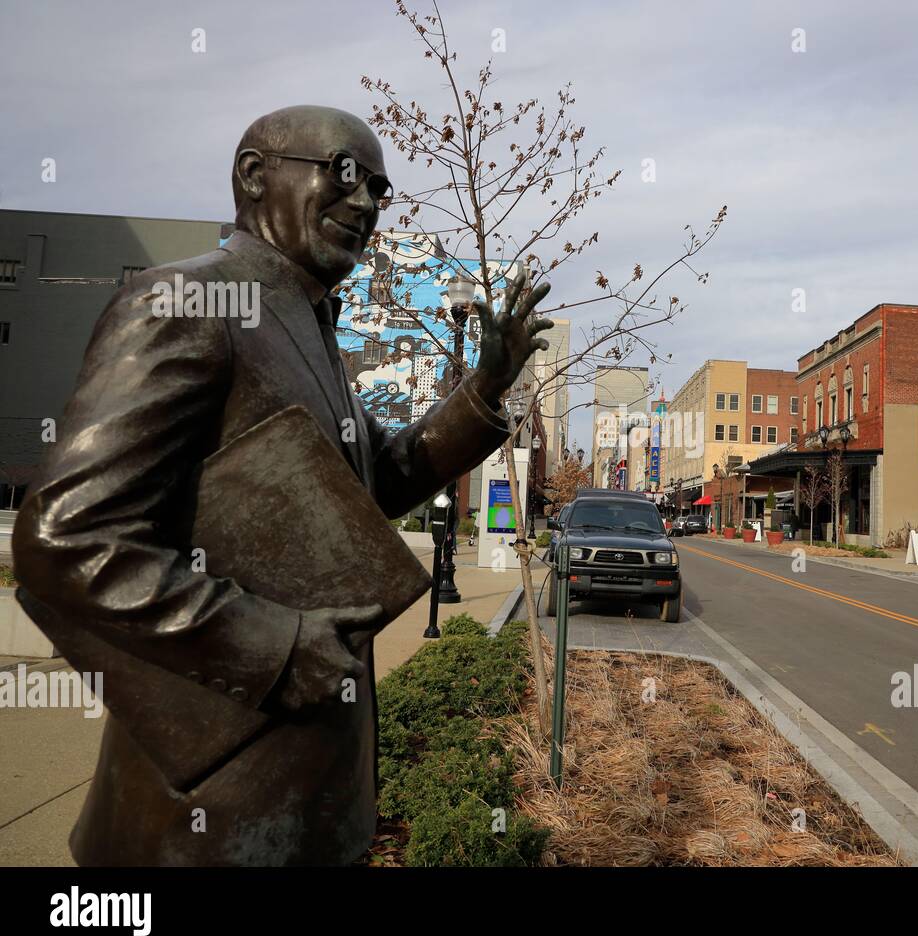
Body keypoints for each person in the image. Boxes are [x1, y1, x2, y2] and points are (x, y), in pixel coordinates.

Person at [12, 106, 552, 866]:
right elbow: (64, 539)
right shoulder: (186, 303)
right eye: (341, 173)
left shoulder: (308, 329)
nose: (363, 203)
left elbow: (373, 485)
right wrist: (274, 647)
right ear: (254, 176)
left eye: (378, 189)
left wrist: (483, 392)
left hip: (314, 812)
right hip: (206, 824)